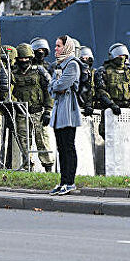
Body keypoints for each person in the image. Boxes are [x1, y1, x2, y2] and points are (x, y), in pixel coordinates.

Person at [11, 43, 54, 172]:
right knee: (24, 141)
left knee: (42, 141)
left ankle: (48, 168)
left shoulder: (39, 71)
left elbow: (48, 91)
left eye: (26, 58)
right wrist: (16, 104)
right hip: (21, 113)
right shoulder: (13, 73)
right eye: (21, 58)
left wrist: (48, 111)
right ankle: (28, 166)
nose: (23, 61)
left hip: (38, 112)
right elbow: (9, 92)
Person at [48, 35, 81, 196]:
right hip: (59, 110)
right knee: (61, 148)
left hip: (68, 111)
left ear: (66, 47)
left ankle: (70, 182)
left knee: (68, 147)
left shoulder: (72, 64)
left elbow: (61, 84)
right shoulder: (59, 65)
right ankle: (63, 181)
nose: (56, 49)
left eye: (58, 46)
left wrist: (56, 85)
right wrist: (56, 86)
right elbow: (52, 87)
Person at [95, 43, 130, 119]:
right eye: (118, 55)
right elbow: (101, 91)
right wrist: (111, 105)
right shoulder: (103, 71)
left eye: (123, 55)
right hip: (110, 112)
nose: (121, 57)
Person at [77, 46, 96, 115]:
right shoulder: (73, 74)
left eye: (87, 58)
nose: (85, 60)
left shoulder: (95, 73)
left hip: (95, 109)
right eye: (82, 58)